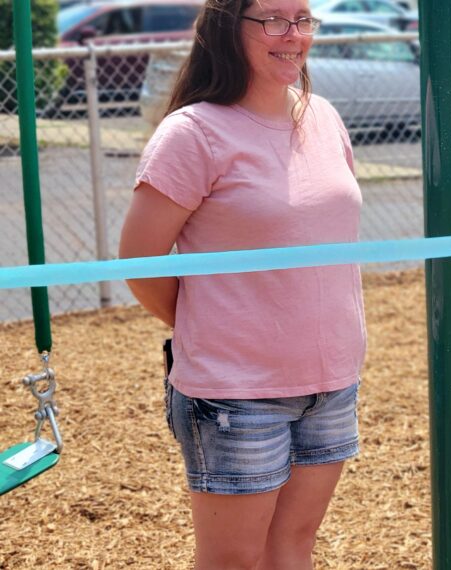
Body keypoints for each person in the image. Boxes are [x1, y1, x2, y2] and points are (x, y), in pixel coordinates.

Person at [118, 0, 365, 567]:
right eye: (274, 19)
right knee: (234, 561)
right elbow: (139, 260)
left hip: (330, 383)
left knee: (293, 549)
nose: (294, 34)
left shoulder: (322, 116)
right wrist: (214, 324)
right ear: (229, 28)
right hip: (236, 392)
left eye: (303, 19)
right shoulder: (193, 133)